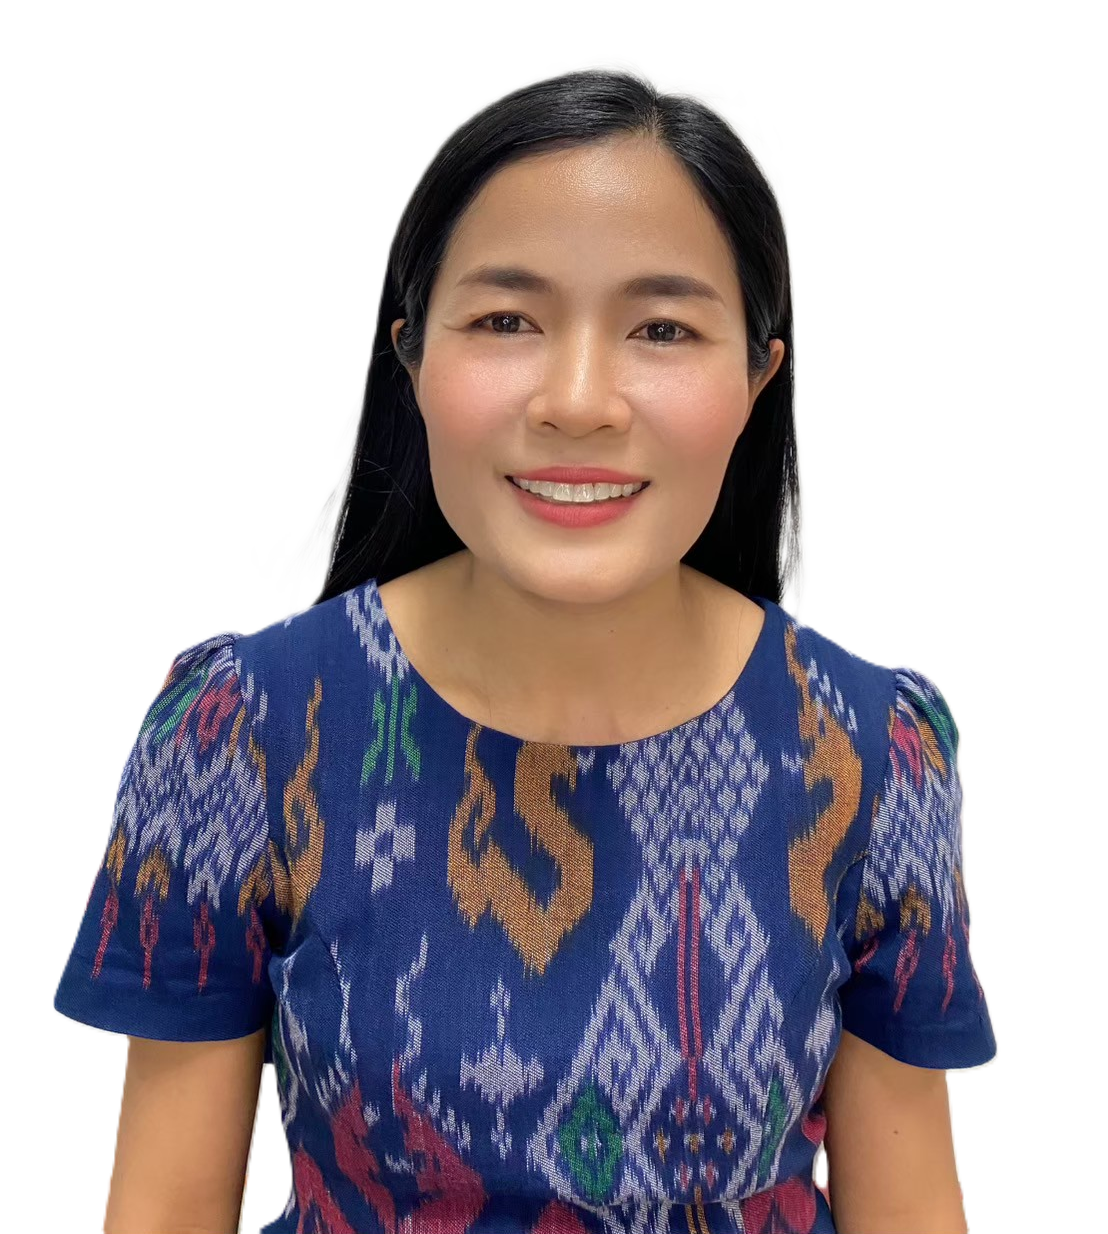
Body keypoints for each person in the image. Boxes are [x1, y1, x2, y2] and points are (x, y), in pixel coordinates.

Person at [52, 60, 996, 1234]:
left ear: (758, 373)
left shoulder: (871, 751)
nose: (578, 398)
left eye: (662, 327)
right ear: (411, 354)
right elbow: (159, 1211)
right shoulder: (239, 732)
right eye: (506, 319)